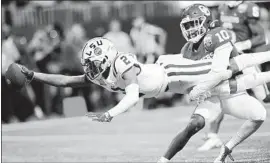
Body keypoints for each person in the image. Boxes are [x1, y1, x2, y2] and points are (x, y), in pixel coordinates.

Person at [13, 37, 270, 162]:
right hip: (178, 87)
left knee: (227, 70)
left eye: (92, 63)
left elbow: (133, 96)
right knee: (197, 122)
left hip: (176, 72)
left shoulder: (122, 63)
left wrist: (109, 114)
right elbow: (66, 80)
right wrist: (34, 75)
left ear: (105, 57)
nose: (90, 68)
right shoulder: (102, 74)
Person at [156, 4, 268, 163]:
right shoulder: (187, 49)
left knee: (259, 113)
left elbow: (220, 72)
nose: (190, 29)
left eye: (194, 23)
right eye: (187, 25)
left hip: (231, 90)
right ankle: (163, 160)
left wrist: (198, 89)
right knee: (195, 124)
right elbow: (190, 77)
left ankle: (228, 147)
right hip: (211, 95)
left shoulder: (217, 35)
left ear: (206, 22)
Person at [199, 0, 270, 151]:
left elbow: (261, 37)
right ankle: (212, 136)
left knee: (265, 97)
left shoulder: (249, 8)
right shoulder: (222, 7)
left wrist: (243, 45)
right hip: (229, 57)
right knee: (218, 91)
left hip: (245, 59)